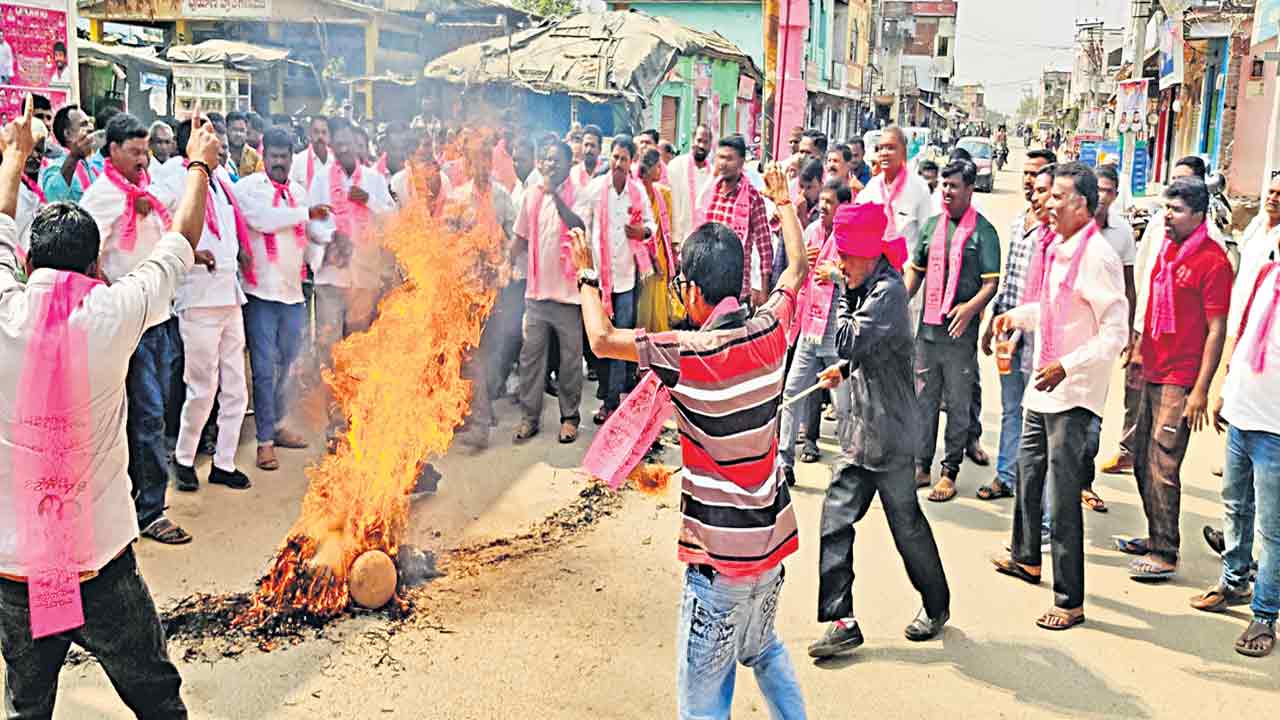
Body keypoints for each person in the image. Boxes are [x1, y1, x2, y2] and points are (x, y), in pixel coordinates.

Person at [0, 97, 217, 720]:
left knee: (28, 706)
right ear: (96, 267)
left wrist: (15, 155)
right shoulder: (111, 313)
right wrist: (198, 165)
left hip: (17, 568)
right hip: (100, 564)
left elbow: (2, 222)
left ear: (29, 264)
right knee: (157, 700)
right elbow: (178, 245)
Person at [573, 160, 809, 719]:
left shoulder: (690, 353)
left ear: (697, 291)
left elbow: (603, 340)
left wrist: (586, 275)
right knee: (764, 649)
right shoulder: (772, 328)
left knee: (702, 705)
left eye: (682, 285)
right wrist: (783, 203)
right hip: (770, 552)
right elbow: (795, 268)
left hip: (719, 566)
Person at [808, 200, 952, 657]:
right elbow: (866, 351)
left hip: (889, 434)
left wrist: (836, 287)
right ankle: (841, 618)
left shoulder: (886, 291)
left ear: (868, 254)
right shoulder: (870, 284)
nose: (841, 264)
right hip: (861, 429)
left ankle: (936, 604)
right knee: (836, 519)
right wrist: (845, 371)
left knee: (905, 525)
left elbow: (850, 337)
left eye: (846, 257)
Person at [991, 162, 1128, 631]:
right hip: (1042, 386)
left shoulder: (1099, 257)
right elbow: (1054, 311)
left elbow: (1115, 334)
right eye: (1048, 197)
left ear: (1083, 205)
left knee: (1062, 495)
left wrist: (1066, 365)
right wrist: (1015, 317)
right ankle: (1026, 558)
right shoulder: (1060, 247)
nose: (1047, 204)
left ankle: (1070, 600)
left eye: (1058, 197)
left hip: (1073, 392)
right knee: (1028, 476)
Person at [79, 113, 191, 545]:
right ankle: (150, 512)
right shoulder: (101, 197)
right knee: (144, 417)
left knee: (153, 414)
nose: (144, 159)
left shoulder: (149, 193)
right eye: (136, 152)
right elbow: (87, 259)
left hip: (160, 319)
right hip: (125, 323)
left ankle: (137, 503)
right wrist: (112, 296)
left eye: (147, 151)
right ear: (113, 151)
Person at [1115, 178, 1231, 582]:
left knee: (1164, 464)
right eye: (1166, 207)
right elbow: (1149, 305)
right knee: (1142, 459)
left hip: (1180, 378)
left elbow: (1217, 330)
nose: (1166, 215)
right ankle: (1154, 535)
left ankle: (1166, 552)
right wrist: (1137, 348)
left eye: (1177, 210)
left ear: (1199, 215)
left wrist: (1200, 390)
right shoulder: (1166, 250)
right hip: (1151, 367)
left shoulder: (1213, 261)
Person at [1199, 213, 1280, 657]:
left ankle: (1265, 615)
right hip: (1244, 413)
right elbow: (1242, 332)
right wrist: (1221, 391)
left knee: (1273, 530)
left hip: (1277, 430)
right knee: (1235, 505)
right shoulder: (1268, 272)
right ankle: (1233, 582)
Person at [904, 160, 1000, 502]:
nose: (947, 192)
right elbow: (915, 272)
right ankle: (920, 464)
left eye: (954, 186)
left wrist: (971, 307)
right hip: (928, 332)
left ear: (970, 189)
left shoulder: (984, 232)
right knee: (923, 400)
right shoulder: (931, 227)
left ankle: (950, 471)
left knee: (958, 404)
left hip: (960, 335)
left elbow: (991, 283)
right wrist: (899, 301)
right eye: (944, 186)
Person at [170, 119, 252, 493]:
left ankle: (224, 461)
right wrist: (192, 253)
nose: (218, 149)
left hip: (229, 296)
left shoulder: (222, 183)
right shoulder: (178, 180)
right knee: (202, 388)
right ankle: (184, 459)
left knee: (236, 387)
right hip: (199, 299)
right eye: (210, 142)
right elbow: (169, 231)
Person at [234, 127, 318, 471]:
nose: (279, 163)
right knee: (264, 370)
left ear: (292, 157)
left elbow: (310, 237)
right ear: (264, 155)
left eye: (285, 157)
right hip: (261, 295)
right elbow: (263, 221)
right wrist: (306, 215)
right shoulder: (248, 188)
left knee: (290, 366)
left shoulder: (299, 192)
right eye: (274, 156)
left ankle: (279, 425)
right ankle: (264, 441)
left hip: (293, 293)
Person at [979, 149, 1056, 501]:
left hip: (1042, 338)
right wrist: (994, 323)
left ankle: (1034, 491)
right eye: (1026, 175)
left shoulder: (1056, 235)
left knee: (1036, 417)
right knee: (1012, 408)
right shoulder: (1018, 222)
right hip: (1010, 332)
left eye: (1037, 177)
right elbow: (1008, 280)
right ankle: (1006, 475)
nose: (1029, 183)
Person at [306, 117, 396, 409]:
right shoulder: (320, 179)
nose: (343, 146)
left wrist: (368, 200)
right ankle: (334, 418)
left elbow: (392, 221)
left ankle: (358, 415)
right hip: (332, 279)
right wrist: (332, 237)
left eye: (348, 140)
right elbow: (311, 222)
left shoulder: (373, 180)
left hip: (363, 280)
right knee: (330, 350)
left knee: (360, 351)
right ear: (331, 144)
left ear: (357, 145)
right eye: (338, 140)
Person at [512, 140, 589, 445]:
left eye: (556, 160)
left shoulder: (579, 195)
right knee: (530, 359)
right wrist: (503, 264)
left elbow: (578, 225)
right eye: (545, 159)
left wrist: (556, 197)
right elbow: (519, 237)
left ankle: (569, 418)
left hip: (569, 297)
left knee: (571, 362)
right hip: (536, 296)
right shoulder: (531, 196)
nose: (550, 164)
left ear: (569, 164)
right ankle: (529, 418)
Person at [778, 178, 853, 485]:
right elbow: (796, 272)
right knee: (792, 392)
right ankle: (784, 460)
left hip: (836, 335)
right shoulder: (809, 232)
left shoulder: (851, 239)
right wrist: (802, 265)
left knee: (843, 405)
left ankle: (850, 463)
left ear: (844, 206)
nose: (822, 207)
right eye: (820, 201)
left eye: (830, 202)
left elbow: (859, 283)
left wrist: (837, 275)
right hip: (810, 329)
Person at [447, 132, 518, 450]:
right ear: (467, 162)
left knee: (488, 354)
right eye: (476, 158)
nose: (482, 164)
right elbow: (444, 242)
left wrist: (501, 262)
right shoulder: (458, 199)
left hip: (495, 290)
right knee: (470, 356)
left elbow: (514, 239)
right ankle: (478, 419)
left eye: (486, 157)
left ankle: (481, 413)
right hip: (466, 290)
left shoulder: (503, 196)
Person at [579, 134, 655, 425]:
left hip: (625, 281)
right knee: (598, 340)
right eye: (615, 157)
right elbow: (584, 224)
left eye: (624, 158)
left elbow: (651, 226)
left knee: (621, 342)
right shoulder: (597, 189)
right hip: (599, 280)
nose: (619, 163)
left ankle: (614, 404)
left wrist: (642, 233)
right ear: (608, 159)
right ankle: (606, 395)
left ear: (632, 161)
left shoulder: (637, 193)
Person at [1075, 164, 1138, 514]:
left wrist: (1128, 331)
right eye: (1098, 189)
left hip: (1102, 339)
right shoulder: (1072, 224)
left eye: (1110, 191)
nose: (1103, 197)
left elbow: (1129, 285)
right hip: (1068, 337)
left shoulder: (1122, 234)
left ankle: (1083, 482)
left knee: (1091, 417)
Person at [694, 134, 772, 305]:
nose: (723, 163)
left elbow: (764, 247)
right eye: (720, 157)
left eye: (729, 158)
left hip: (736, 287)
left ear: (741, 163)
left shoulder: (752, 197)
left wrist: (764, 290)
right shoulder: (710, 192)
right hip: (706, 284)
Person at [635, 147, 681, 333]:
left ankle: (660, 357)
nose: (661, 171)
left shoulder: (664, 194)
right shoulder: (635, 195)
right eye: (658, 167)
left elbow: (668, 230)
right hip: (643, 264)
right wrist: (654, 262)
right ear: (649, 170)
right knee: (643, 315)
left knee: (661, 318)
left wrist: (671, 260)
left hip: (661, 260)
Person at [667, 124, 714, 246]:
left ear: (711, 145)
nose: (701, 145)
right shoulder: (675, 167)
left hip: (705, 245)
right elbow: (671, 206)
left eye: (706, 142)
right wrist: (674, 241)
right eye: (699, 140)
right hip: (680, 243)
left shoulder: (714, 175)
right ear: (693, 140)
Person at [40, 105, 96, 203]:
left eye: (90, 123)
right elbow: (53, 200)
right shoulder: (56, 167)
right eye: (84, 124)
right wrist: (73, 157)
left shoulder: (90, 166)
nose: (91, 128)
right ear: (68, 134)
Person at [291, 115, 332, 191]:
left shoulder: (336, 160)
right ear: (309, 134)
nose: (320, 136)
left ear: (329, 135)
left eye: (324, 132)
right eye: (316, 132)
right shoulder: (299, 161)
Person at [226, 110, 262, 180]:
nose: (238, 134)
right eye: (234, 130)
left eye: (242, 130)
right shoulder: (221, 154)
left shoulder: (254, 156)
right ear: (226, 130)